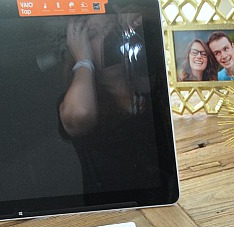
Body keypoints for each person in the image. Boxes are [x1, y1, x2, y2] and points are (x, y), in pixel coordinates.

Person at [58, 13, 161, 194]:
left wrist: (141, 14)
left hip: (159, 204)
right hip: (109, 211)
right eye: (93, 35)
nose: (108, 38)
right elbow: (80, 113)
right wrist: (84, 60)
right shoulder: (76, 100)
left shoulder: (150, 90)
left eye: (113, 30)